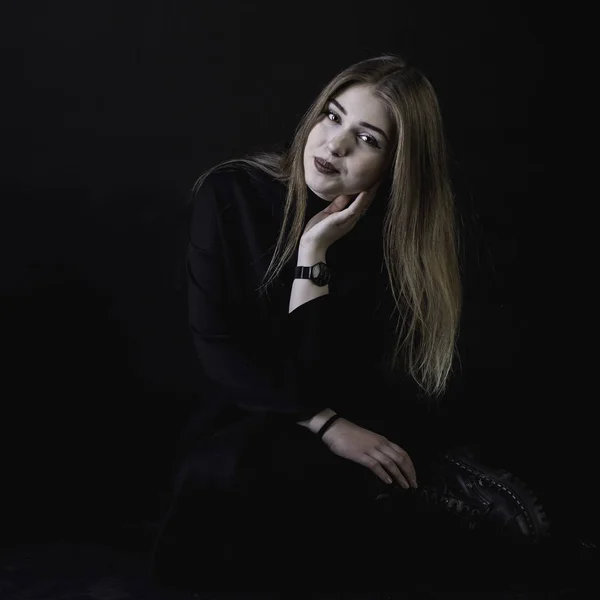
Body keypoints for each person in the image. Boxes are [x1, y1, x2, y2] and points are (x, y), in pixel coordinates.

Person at [150, 54, 549, 592]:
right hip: (249, 409)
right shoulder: (232, 193)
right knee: (225, 474)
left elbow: (324, 373)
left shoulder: (394, 237)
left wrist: (315, 253)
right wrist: (323, 423)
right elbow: (218, 347)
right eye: (333, 117)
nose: (334, 145)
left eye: (368, 139)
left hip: (352, 410)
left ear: (397, 165)